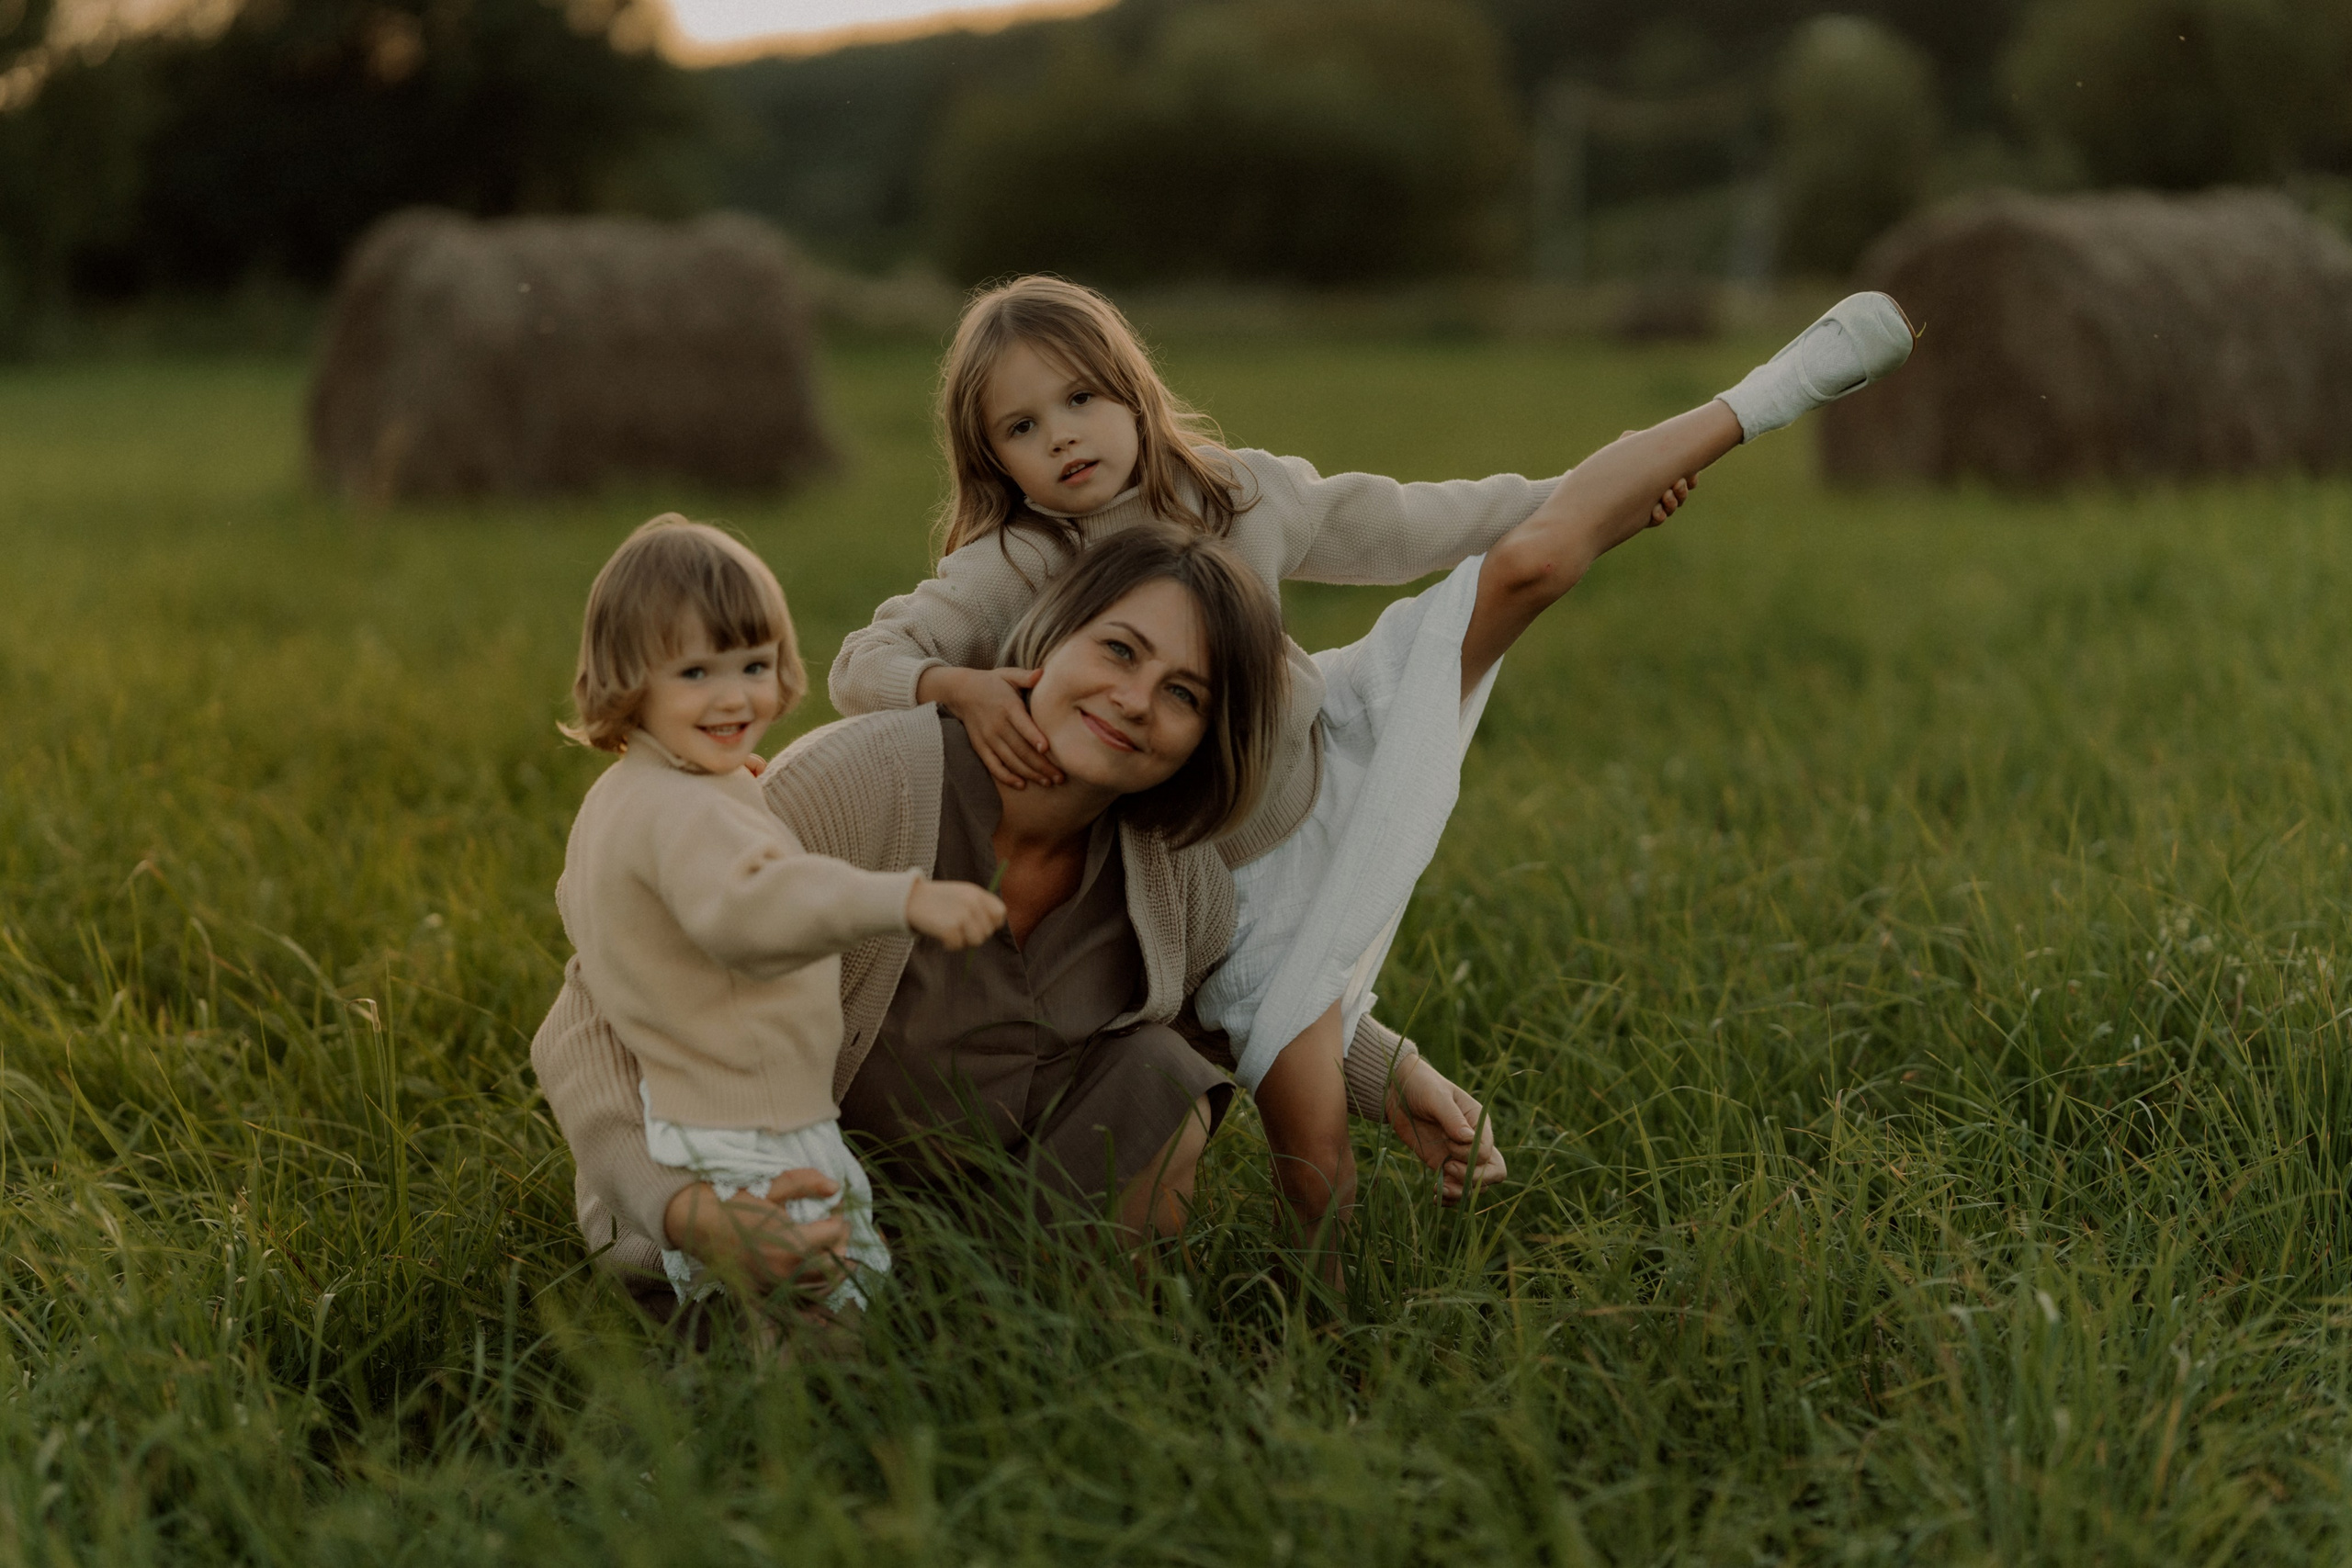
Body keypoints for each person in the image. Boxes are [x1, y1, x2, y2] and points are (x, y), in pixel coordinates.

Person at [829, 276, 1915, 1267]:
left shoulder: (1238, 495)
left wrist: (1586, 496)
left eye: (1080, 401)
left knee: (1535, 558)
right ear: (992, 461)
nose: (1061, 440)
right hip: (1226, 883)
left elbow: (1418, 524)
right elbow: (861, 664)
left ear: (1132, 392)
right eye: (1020, 428)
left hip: (1331, 738)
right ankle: (1323, 1338)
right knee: (1318, 1163)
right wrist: (957, 687)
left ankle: (1773, 388)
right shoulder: (1013, 561)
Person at [538, 525, 1498, 1308]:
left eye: (1183, 696)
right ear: (1048, 640)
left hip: (975, 1238)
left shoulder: (1174, 881)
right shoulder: (854, 790)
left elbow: (1246, 993)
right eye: (1119, 650)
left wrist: (1393, 1073)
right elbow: (591, 1016)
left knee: (1159, 1073)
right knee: (786, 1413)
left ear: (1204, 743)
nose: (1132, 700)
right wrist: (686, 1212)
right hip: (762, 1205)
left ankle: (1070, 1342)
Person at [553, 515, 1007, 1314]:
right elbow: (756, 908)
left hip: (691, 1119)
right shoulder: (692, 814)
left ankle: (739, 1394)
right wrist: (900, 895)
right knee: (831, 1291)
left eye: (754, 664)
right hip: (758, 1124)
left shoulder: (630, 795)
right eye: (695, 672)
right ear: (629, 679)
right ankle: (808, 1425)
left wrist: (732, 795)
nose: (735, 696)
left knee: (762, 1299)